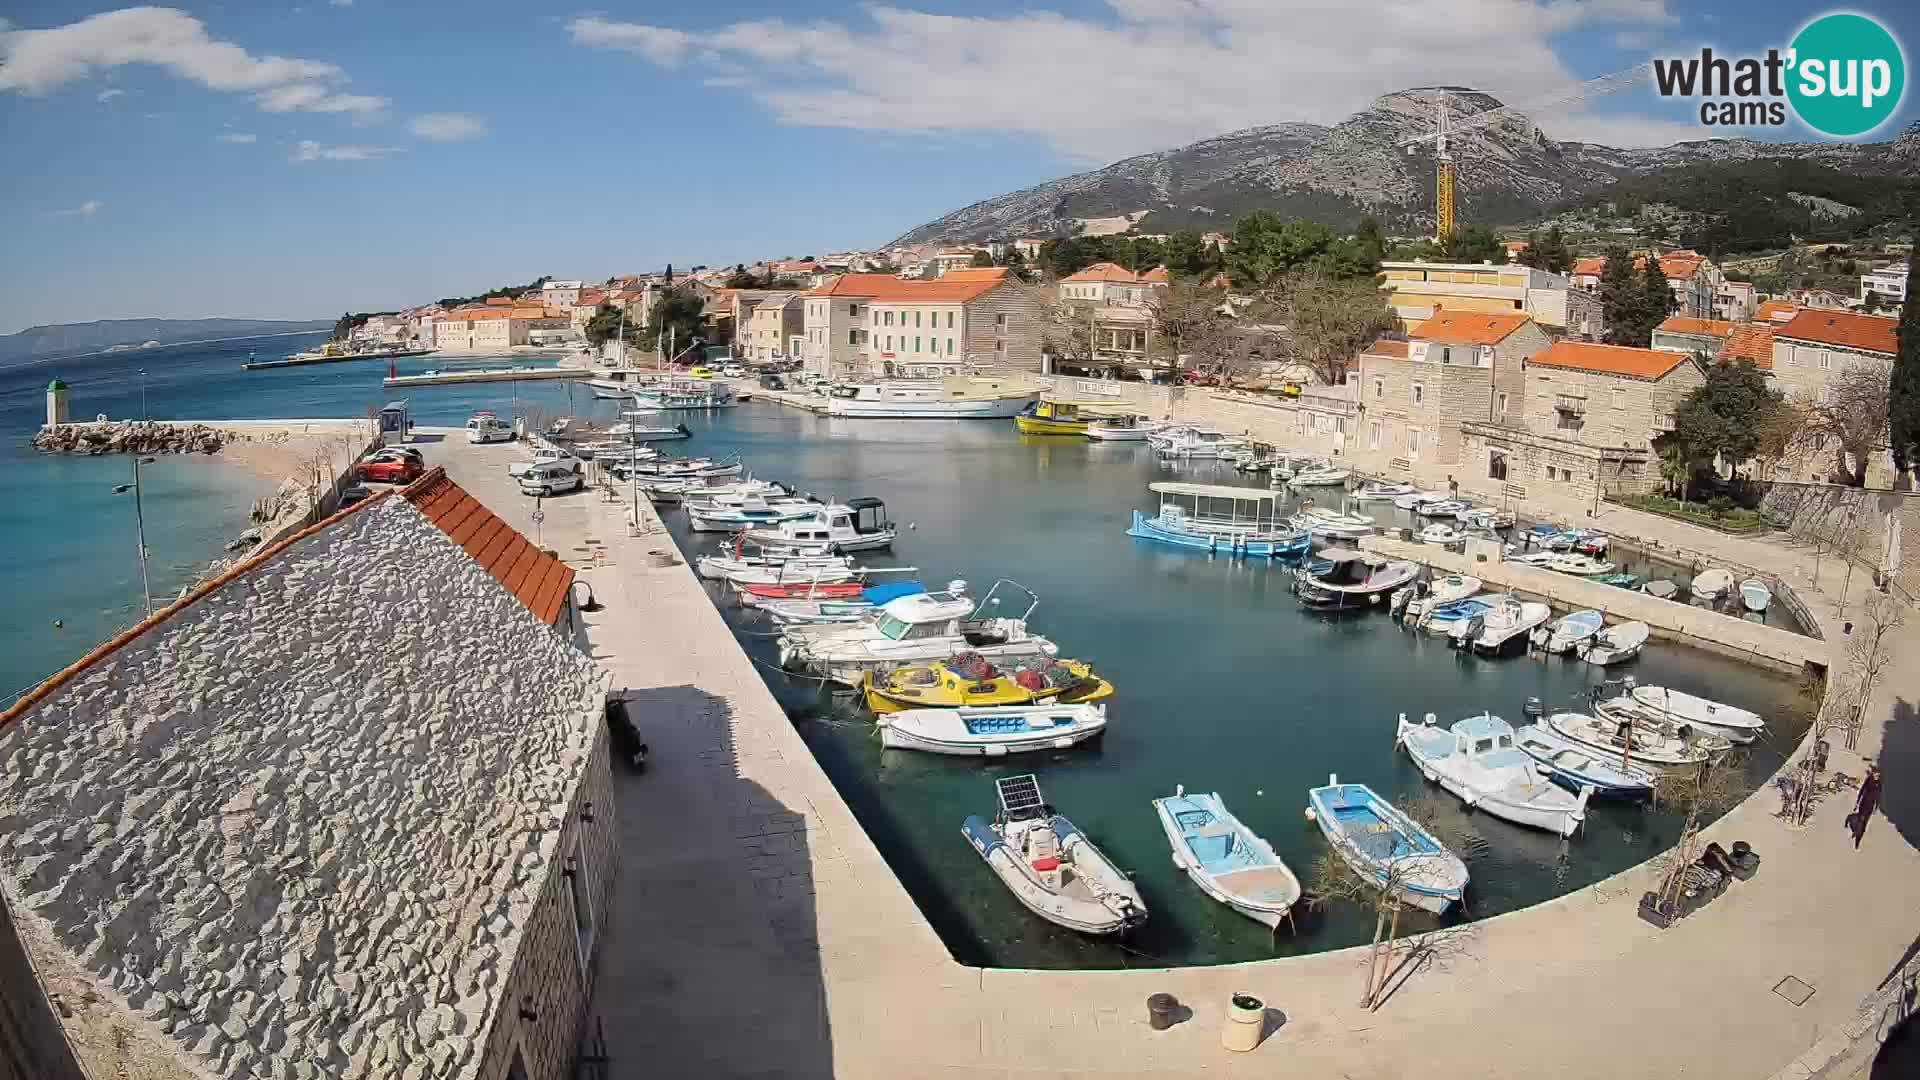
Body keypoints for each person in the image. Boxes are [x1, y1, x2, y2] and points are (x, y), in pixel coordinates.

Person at [1849, 763, 1883, 849]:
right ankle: (1857, 841)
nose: (1877, 776)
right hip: (1863, 804)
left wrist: (1876, 807)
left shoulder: (1879, 784)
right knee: (1860, 821)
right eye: (1875, 774)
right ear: (1873, 774)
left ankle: (1857, 832)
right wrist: (1857, 802)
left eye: (1878, 775)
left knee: (1864, 824)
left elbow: (1878, 796)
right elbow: (1862, 790)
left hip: (1870, 807)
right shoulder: (1868, 780)